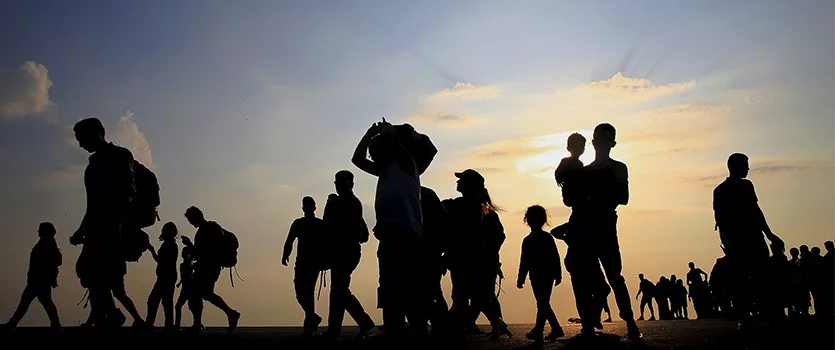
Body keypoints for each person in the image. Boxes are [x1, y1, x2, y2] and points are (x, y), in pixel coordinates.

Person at [352, 121, 431, 339]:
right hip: (391, 237)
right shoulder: (386, 170)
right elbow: (356, 160)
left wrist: (388, 132)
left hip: (406, 237)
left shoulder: (405, 163)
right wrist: (369, 133)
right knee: (390, 291)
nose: (371, 155)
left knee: (407, 292)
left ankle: (417, 332)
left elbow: (395, 145)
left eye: (375, 150)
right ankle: (397, 333)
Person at [69, 117, 136, 330]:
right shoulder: (92, 167)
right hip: (96, 229)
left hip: (113, 228)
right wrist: (82, 229)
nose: (80, 144)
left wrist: (119, 226)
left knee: (101, 277)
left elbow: (129, 192)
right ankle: (110, 316)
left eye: (81, 138)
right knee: (89, 274)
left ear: (98, 133)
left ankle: (109, 319)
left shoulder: (120, 156)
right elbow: (92, 203)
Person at [583, 123, 642, 340]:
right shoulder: (586, 171)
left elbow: (623, 198)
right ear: (594, 143)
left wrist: (597, 196)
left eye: (607, 140)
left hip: (606, 226)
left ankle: (630, 322)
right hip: (588, 227)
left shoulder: (618, 167)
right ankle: (590, 321)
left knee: (615, 276)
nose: (602, 144)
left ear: (613, 143)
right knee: (590, 277)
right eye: (600, 139)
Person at [712, 153, 783, 329]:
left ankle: (757, 313)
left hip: (745, 239)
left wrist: (769, 234)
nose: (748, 168)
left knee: (754, 277)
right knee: (751, 277)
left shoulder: (725, 189)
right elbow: (725, 217)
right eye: (745, 164)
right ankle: (750, 314)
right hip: (746, 238)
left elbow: (753, 211)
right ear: (735, 166)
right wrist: (768, 234)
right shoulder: (735, 188)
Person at [442, 169, 511, 340]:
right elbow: (500, 237)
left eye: (461, 180)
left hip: (465, 262)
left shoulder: (457, 206)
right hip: (478, 263)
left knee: (465, 296)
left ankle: (460, 328)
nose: (457, 182)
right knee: (477, 296)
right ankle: (494, 323)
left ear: (468, 185)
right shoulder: (485, 211)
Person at [320, 171, 375, 340]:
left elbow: (336, 228)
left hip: (346, 252)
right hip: (343, 252)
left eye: (342, 182)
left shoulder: (350, 203)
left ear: (350, 184)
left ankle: (360, 322)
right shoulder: (343, 202)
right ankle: (337, 329)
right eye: (337, 182)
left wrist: (331, 206)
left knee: (339, 291)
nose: (339, 185)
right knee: (338, 291)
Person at [184, 206, 241, 333]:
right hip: (208, 266)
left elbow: (206, 252)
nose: (190, 223)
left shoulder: (207, 230)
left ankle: (230, 313)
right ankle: (199, 323)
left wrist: (189, 246)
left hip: (209, 267)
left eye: (190, 220)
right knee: (201, 294)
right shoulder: (211, 228)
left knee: (202, 293)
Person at [517, 205, 565, 343]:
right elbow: (555, 257)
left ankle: (538, 330)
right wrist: (558, 273)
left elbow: (524, 261)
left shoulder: (528, 240)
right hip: (546, 275)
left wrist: (521, 278)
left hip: (538, 276)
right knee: (543, 303)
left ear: (527, 220)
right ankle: (555, 328)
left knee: (542, 303)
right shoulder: (546, 238)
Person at [282, 196, 327, 337]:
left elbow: (327, 243)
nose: (307, 208)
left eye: (309, 205)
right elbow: (289, 240)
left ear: (314, 207)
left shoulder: (320, 224)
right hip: (301, 263)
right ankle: (312, 317)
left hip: (313, 263)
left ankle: (308, 328)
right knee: (301, 293)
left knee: (308, 293)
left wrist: (326, 260)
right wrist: (285, 255)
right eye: (305, 205)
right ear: (303, 208)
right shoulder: (298, 223)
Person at [3, 222, 62, 330]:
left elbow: (47, 262)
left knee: (27, 303)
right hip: (38, 280)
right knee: (43, 303)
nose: (38, 232)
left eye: (41, 230)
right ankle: (56, 324)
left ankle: (12, 324)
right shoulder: (47, 243)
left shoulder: (46, 244)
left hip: (38, 281)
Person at [145, 222, 179, 330]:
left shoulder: (168, 245)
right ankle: (167, 327)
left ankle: (150, 324)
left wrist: (152, 251)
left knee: (154, 301)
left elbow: (160, 260)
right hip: (168, 277)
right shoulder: (171, 244)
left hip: (165, 278)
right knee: (166, 303)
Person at [174, 237, 195, 329]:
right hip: (185, 287)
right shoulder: (184, 264)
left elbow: (188, 275)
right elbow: (185, 276)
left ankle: (196, 323)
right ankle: (178, 324)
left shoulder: (188, 264)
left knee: (185, 306)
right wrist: (180, 283)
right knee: (181, 306)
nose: (182, 254)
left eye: (184, 252)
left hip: (188, 288)